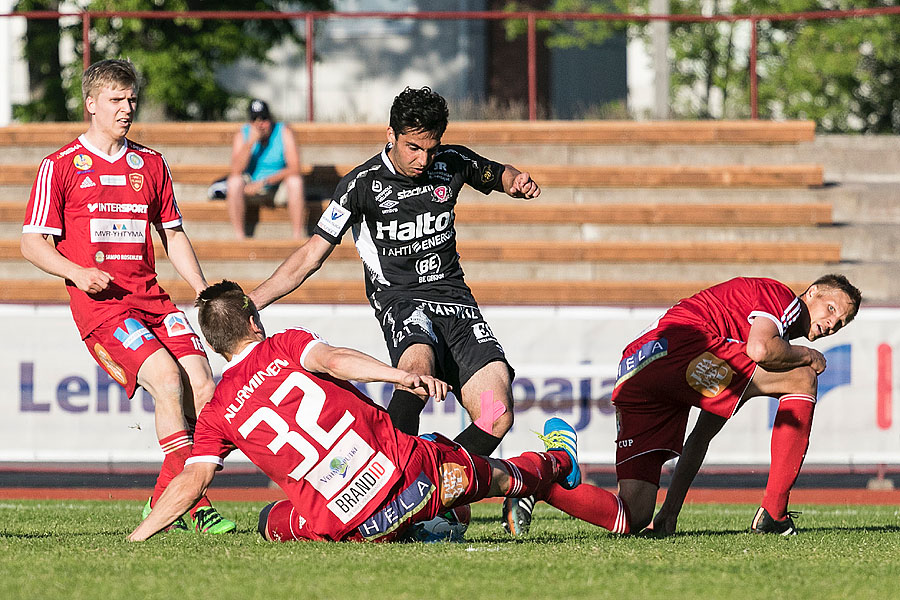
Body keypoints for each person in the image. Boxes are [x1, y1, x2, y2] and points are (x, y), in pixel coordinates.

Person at [126, 280, 600, 543]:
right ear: (254, 320)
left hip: (353, 527)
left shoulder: (216, 412)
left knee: (269, 522)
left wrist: (140, 535)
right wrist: (400, 376)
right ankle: (555, 464)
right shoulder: (286, 344)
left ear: (212, 344)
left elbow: (193, 480)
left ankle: (429, 528)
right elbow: (334, 360)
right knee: (488, 470)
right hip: (414, 478)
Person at [249, 87, 540, 462]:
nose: (423, 159)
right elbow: (310, 256)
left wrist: (517, 183)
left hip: (455, 299)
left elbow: (499, 174)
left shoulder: (451, 162)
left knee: (496, 413)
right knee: (416, 374)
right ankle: (392, 481)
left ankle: (432, 483)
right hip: (401, 300)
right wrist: (252, 301)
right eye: (413, 148)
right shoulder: (360, 185)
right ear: (391, 135)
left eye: (431, 148)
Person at [20, 58, 234, 534]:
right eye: (115, 100)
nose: (126, 109)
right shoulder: (59, 166)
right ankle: (192, 502)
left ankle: (164, 495)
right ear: (91, 104)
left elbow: (173, 235)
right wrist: (76, 272)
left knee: (204, 383)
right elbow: (31, 243)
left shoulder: (151, 163)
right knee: (165, 378)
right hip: (102, 308)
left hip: (153, 300)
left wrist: (203, 291)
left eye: (131, 99)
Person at [519, 274, 860, 538]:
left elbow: (700, 437)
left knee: (632, 515)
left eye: (841, 323)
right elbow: (761, 350)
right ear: (812, 292)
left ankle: (535, 477)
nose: (832, 324)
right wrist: (809, 355)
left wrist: (670, 511)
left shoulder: (736, 351)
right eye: (832, 309)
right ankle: (774, 512)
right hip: (681, 346)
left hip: (637, 367)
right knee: (803, 378)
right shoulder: (783, 299)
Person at [224, 99, 306, 240]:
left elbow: (295, 167)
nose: (260, 124)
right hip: (250, 188)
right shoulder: (242, 134)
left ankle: (297, 236)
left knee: (295, 182)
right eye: (255, 119)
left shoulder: (283, 131)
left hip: (277, 187)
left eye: (264, 119)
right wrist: (250, 143)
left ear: (271, 118)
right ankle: (240, 238)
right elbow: (236, 170)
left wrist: (264, 182)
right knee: (234, 182)